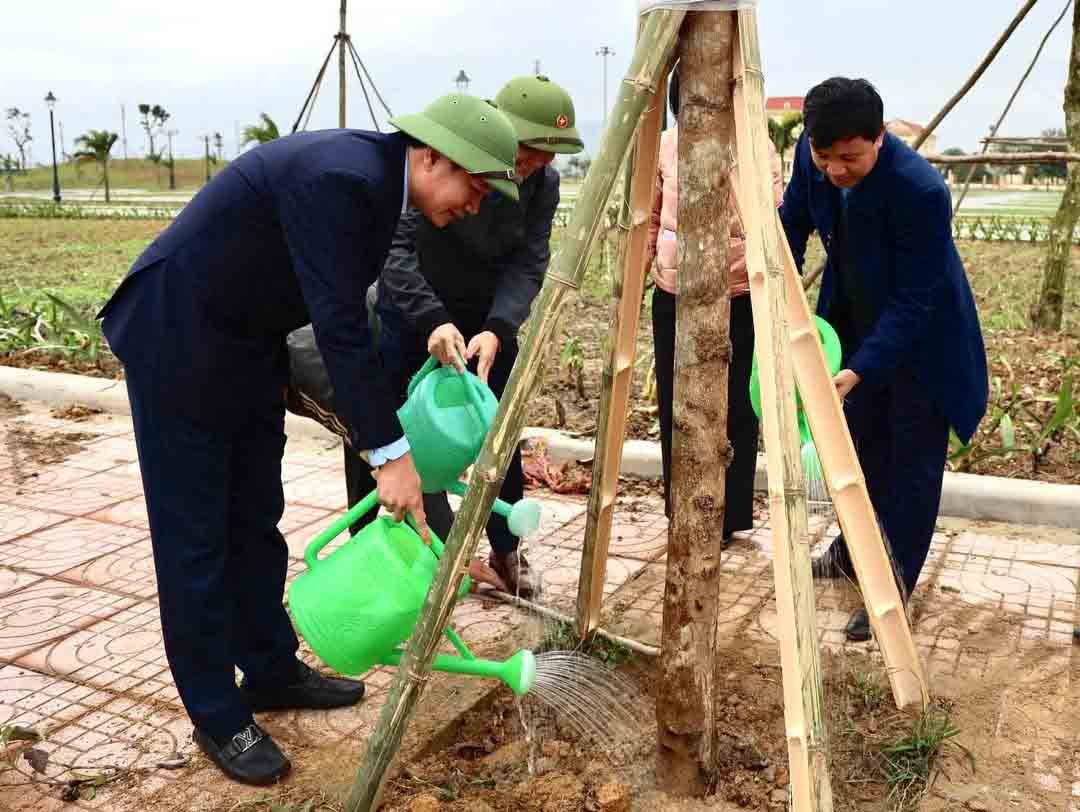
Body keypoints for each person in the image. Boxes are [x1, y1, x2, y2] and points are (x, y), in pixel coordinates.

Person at [97, 93, 521, 786]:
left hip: (245, 346)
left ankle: (267, 668)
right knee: (196, 537)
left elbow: (340, 315)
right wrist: (389, 453)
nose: (475, 206)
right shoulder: (343, 178)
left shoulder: (379, 185)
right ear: (433, 155)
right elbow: (338, 324)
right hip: (176, 340)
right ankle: (216, 710)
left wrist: (376, 425)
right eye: (474, 187)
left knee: (255, 517)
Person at [287, 75, 583, 598]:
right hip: (412, 314)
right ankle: (380, 559)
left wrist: (498, 327)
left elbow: (529, 259)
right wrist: (430, 320)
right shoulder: (442, 165)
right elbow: (394, 254)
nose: (537, 164)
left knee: (496, 434)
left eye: (548, 156)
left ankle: (505, 548)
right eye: (532, 150)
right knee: (383, 428)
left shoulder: (543, 185)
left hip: (486, 324)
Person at [779, 77, 988, 641]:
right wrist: (779, 282)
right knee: (857, 449)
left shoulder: (919, 190)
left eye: (850, 158)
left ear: (878, 139)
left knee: (909, 472)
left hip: (924, 343)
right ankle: (850, 552)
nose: (835, 170)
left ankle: (889, 589)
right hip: (852, 321)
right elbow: (792, 222)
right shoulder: (812, 154)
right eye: (825, 158)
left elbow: (916, 299)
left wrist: (859, 368)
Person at [646, 67, 782, 540]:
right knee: (675, 402)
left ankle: (730, 514)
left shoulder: (755, 149)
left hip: (739, 293)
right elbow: (649, 211)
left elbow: (772, 219)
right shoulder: (663, 146)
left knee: (737, 408)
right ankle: (680, 507)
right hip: (672, 290)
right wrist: (647, 264)